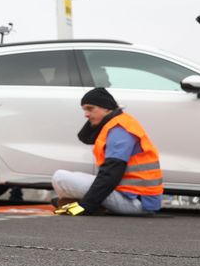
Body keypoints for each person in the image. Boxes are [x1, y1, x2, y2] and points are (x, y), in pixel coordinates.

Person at [51, 87, 163, 216]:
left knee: (60, 178)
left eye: (90, 108)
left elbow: (111, 172)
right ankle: (90, 204)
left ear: (106, 108)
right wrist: (108, 113)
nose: (86, 114)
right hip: (130, 195)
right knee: (63, 177)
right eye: (84, 109)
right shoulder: (116, 122)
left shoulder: (120, 129)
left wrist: (85, 207)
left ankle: (83, 204)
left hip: (136, 203)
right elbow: (85, 137)